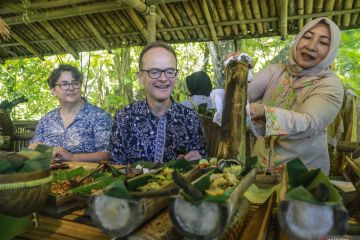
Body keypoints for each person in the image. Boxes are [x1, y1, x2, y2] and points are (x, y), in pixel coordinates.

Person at [227, 17, 344, 175]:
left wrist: (264, 113)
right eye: (307, 37)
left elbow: (309, 122)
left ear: (331, 51)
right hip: (260, 172)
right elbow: (241, 96)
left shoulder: (330, 85)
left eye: (323, 42)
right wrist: (238, 70)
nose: (311, 46)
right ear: (298, 40)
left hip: (302, 178)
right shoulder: (276, 71)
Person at [110, 41, 207, 165]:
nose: (163, 78)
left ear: (176, 75)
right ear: (140, 77)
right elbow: (115, 168)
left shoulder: (191, 119)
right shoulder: (123, 118)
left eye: (170, 71)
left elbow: (203, 165)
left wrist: (197, 162)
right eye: (154, 72)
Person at [29, 64, 112, 162]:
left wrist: (72, 157)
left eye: (75, 83)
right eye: (64, 84)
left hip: (87, 175)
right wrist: (34, 148)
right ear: (53, 91)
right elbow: (33, 147)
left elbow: (107, 154)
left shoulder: (99, 116)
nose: (71, 88)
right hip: (49, 174)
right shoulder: (46, 120)